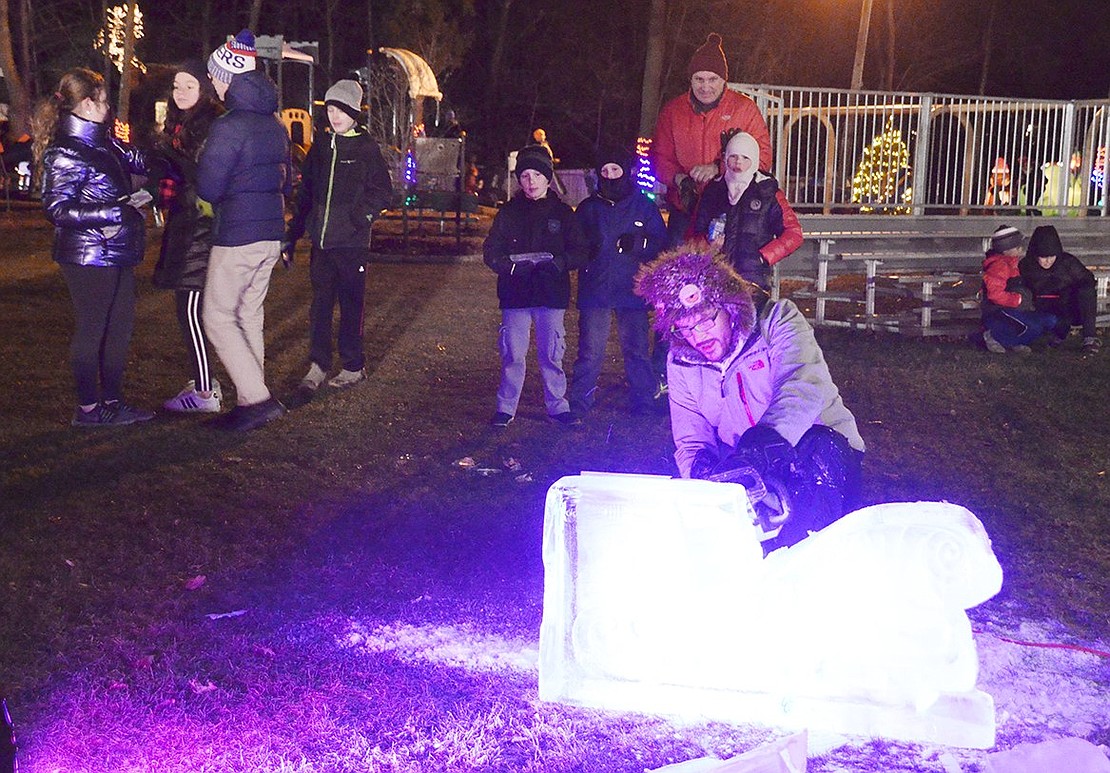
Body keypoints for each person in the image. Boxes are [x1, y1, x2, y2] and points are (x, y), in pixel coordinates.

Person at [634, 244, 865, 551]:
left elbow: (802, 387)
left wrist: (762, 444)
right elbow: (691, 441)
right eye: (685, 328)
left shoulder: (778, 321)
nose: (697, 336)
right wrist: (703, 475)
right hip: (745, 468)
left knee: (804, 547)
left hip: (813, 453)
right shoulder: (680, 360)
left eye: (705, 321)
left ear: (728, 307)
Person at [33, 67, 155, 427]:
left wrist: (131, 150)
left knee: (119, 328)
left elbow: (140, 163)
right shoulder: (66, 152)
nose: (108, 108)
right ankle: (88, 409)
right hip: (86, 254)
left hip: (117, 248)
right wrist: (115, 210)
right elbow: (57, 209)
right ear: (86, 104)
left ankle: (113, 402)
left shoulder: (102, 142)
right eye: (102, 101)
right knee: (92, 329)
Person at [197, 29, 292, 431]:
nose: (213, 85)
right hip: (270, 232)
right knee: (249, 314)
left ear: (230, 78)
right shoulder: (274, 125)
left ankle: (256, 399)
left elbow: (208, 187)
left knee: (216, 317)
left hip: (238, 233)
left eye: (216, 77)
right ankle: (252, 397)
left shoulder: (229, 127)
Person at [285, 79, 394, 392]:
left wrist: (360, 217)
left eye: (342, 110)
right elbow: (305, 194)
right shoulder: (320, 146)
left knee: (350, 305)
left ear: (353, 113)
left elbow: (383, 192)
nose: (335, 116)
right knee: (320, 306)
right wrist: (293, 235)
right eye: (331, 109)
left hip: (352, 245)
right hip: (321, 244)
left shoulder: (365, 148)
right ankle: (318, 365)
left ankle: (352, 365)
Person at [483, 144, 588, 428]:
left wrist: (559, 263)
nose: (530, 182)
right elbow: (491, 251)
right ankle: (506, 407)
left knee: (552, 354)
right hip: (515, 293)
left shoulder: (564, 213)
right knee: (513, 354)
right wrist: (510, 265)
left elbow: (580, 250)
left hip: (551, 293)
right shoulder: (508, 213)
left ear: (548, 177)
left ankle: (557, 405)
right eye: (525, 176)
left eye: (536, 175)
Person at [569, 146, 667, 416]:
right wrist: (585, 249)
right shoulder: (589, 208)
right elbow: (575, 243)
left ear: (625, 171)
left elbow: (660, 244)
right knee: (590, 351)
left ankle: (644, 399)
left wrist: (640, 243)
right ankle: (580, 401)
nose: (610, 175)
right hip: (596, 289)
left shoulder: (643, 207)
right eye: (605, 171)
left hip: (631, 289)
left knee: (636, 349)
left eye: (615, 169)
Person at [152, 59, 225, 413]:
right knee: (190, 310)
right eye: (177, 85)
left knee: (192, 311)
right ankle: (203, 380)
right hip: (188, 224)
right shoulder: (183, 123)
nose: (181, 92)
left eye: (189, 86)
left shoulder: (207, 124)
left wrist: (171, 156)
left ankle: (205, 393)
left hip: (201, 227)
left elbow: (204, 179)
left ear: (203, 89)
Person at [652, 33, 773, 247]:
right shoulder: (673, 111)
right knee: (682, 276)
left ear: (724, 79)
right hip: (685, 212)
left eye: (712, 79)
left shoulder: (745, 110)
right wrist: (679, 179)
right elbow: (659, 158)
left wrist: (719, 168)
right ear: (690, 79)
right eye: (699, 79)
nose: (705, 87)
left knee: (728, 275)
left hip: (732, 210)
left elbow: (762, 159)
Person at [690, 130, 803, 294]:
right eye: (733, 156)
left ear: (755, 160)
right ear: (725, 157)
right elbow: (695, 232)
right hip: (715, 278)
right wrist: (708, 246)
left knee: (751, 320)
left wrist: (764, 257)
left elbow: (794, 234)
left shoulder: (768, 193)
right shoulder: (712, 191)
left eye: (745, 158)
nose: (738, 163)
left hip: (753, 282)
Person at [1018, 224, 1101, 354]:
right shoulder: (1026, 266)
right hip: (1044, 309)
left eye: (1052, 256)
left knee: (1087, 292)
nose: (1048, 261)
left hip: (1069, 307)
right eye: (1043, 257)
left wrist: (1070, 291)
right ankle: (1055, 335)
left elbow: (1087, 280)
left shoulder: (1068, 263)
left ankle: (1089, 338)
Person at [979, 224, 1058, 354]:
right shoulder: (999, 266)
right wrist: (1018, 300)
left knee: (1050, 320)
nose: (1021, 249)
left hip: (1014, 310)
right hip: (999, 312)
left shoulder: (1012, 264)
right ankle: (994, 336)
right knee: (1035, 326)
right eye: (1017, 247)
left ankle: (1013, 340)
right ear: (1006, 249)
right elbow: (995, 295)